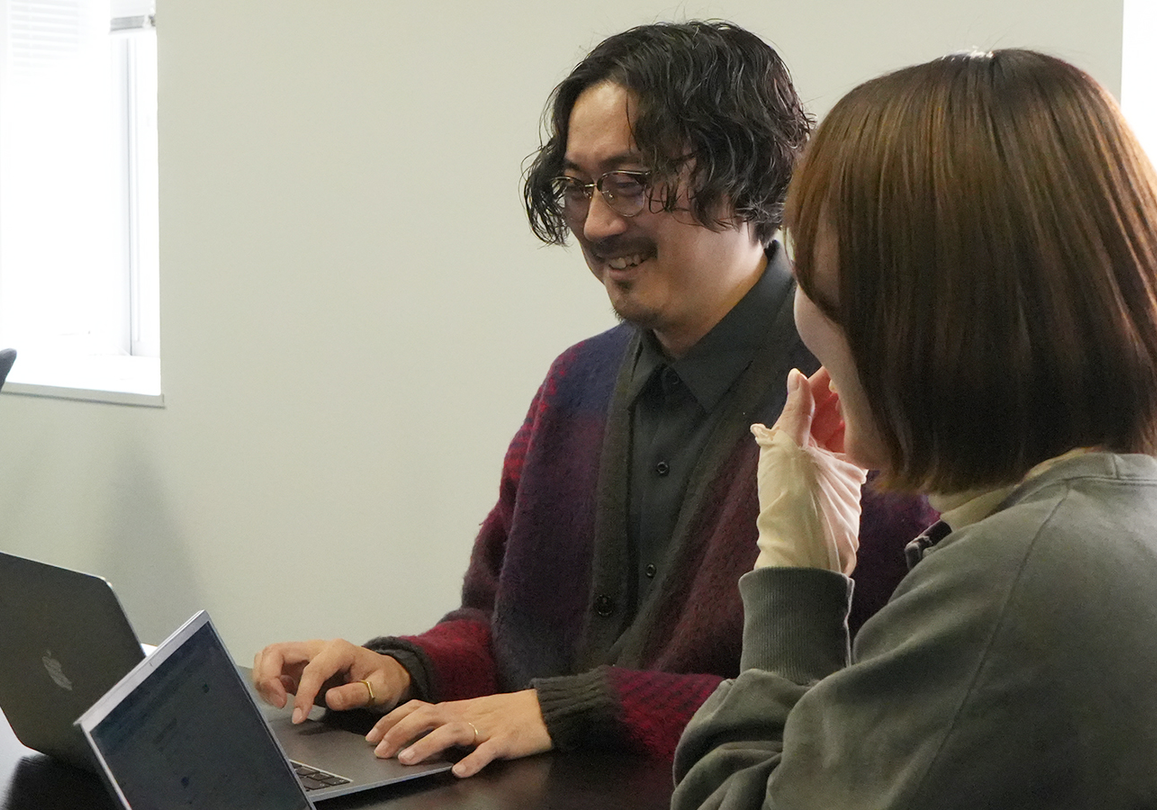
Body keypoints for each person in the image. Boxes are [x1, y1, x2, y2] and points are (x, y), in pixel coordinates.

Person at [252, 20, 934, 780]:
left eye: (630, 182)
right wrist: (404, 669)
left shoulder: (854, 396)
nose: (599, 223)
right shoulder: (577, 381)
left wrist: (575, 708)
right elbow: (497, 624)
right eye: (578, 187)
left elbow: (855, 696)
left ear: (740, 177)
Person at [673, 48, 1157, 809]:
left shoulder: (1021, 579)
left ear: (916, 312)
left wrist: (795, 571)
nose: (803, 313)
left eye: (810, 274)